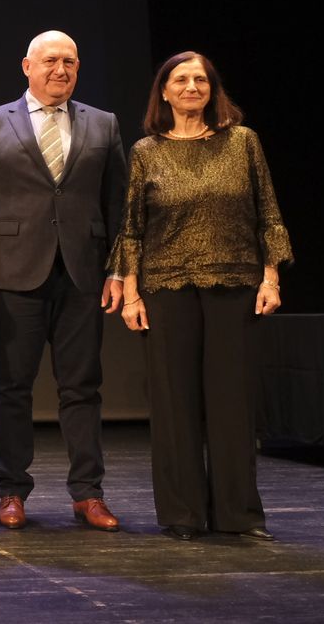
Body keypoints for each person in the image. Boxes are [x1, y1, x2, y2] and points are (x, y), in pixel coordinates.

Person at [113, 51, 291, 542]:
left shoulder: (242, 143)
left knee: (232, 402)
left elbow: (268, 215)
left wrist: (270, 278)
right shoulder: (147, 151)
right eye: (181, 79)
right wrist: (130, 294)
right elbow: (132, 230)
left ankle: (239, 515)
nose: (192, 87)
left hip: (234, 283)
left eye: (201, 80)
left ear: (212, 89)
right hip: (165, 286)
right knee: (174, 404)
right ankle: (182, 513)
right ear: (164, 92)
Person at [0, 30, 126, 533]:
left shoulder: (103, 123)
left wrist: (118, 269)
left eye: (71, 62)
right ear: (27, 66)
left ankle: (88, 494)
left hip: (83, 271)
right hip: (15, 269)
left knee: (82, 387)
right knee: (11, 387)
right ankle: (12, 491)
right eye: (51, 61)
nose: (61, 70)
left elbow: (117, 205)